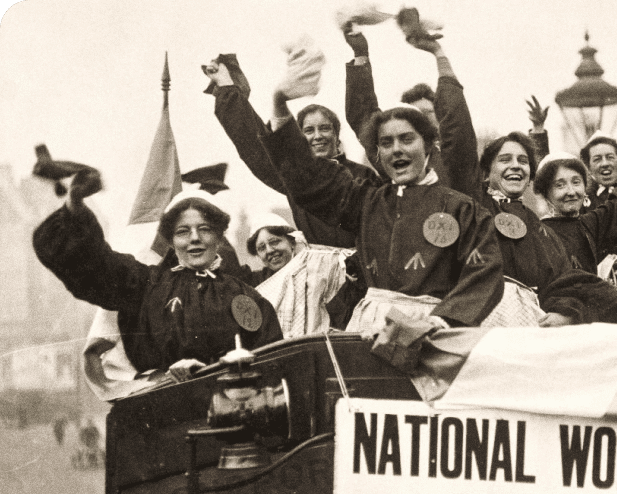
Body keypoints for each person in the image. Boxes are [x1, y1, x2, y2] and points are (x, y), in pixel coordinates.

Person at [261, 74, 503, 334]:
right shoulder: (365, 202)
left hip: (436, 329)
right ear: (379, 153)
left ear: (428, 146)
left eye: (407, 139)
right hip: (369, 328)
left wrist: (440, 322)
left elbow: (484, 272)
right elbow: (309, 177)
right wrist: (279, 104)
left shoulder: (463, 209)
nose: (396, 149)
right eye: (386, 143)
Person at [34, 172, 283, 382]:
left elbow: (274, 365)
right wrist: (75, 208)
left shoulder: (245, 295)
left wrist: (216, 369)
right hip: (162, 412)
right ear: (171, 242)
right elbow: (97, 264)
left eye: (205, 229)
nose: (194, 238)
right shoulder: (145, 285)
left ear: (219, 238)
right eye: (183, 231)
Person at [476, 131, 617, 326]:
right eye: (505, 159)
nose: (570, 191)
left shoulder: (540, 230)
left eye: (523, 161)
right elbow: (458, 151)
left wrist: (568, 312)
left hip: (536, 319)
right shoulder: (475, 205)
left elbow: (561, 282)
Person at [205, 56, 377, 249]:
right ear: (299, 140)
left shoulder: (364, 175)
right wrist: (226, 87)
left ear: (337, 137)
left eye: (325, 128)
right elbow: (255, 145)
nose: (317, 136)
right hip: (319, 266)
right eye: (309, 131)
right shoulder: (298, 179)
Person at [342, 17, 481, 196]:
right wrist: (360, 53)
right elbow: (362, 115)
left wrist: (438, 52)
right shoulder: (395, 158)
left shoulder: (456, 163)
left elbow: (457, 119)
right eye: (414, 117)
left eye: (428, 113)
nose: (421, 121)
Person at [536, 111, 617, 273]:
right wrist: (538, 132)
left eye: (610, 157)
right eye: (597, 159)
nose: (570, 192)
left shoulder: (598, 217)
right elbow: (546, 174)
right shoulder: (541, 230)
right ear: (588, 167)